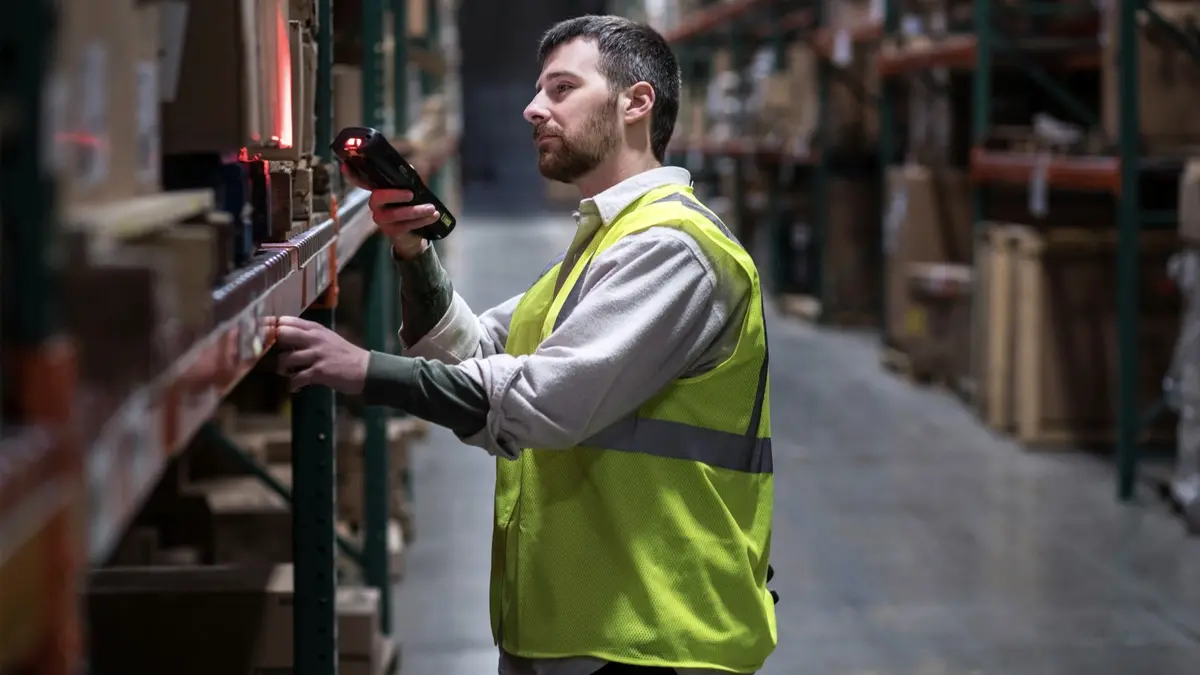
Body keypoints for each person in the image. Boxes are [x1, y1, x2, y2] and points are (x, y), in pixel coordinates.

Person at [273, 14, 776, 675]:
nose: (533, 108)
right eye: (539, 90)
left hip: (654, 636)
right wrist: (412, 252)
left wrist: (363, 370)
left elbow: (540, 402)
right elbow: (476, 354)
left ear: (637, 103)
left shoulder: (674, 250)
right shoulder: (603, 244)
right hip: (576, 626)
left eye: (562, 89)